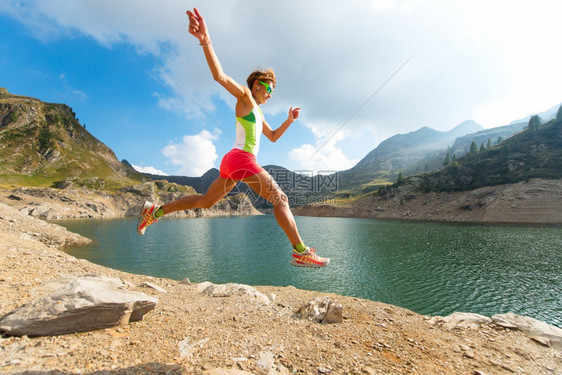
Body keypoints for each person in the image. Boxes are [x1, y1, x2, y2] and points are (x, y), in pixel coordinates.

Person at [136, 7, 329, 268]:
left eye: (273, 90)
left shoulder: (258, 113)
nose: (270, 93)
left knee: (205, 202)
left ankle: (154, 211)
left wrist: (289, 121)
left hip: (232, 162)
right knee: (280, 199)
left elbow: (271, 137)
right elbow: (220, 76)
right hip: (241, 159)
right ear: (257, 85)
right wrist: (206, 41)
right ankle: (301, 251)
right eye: (269, 88)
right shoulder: (246, 98)